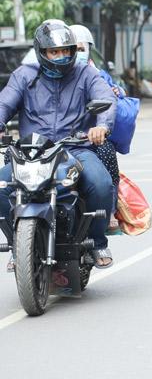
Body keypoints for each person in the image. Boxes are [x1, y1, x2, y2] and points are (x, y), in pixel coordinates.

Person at [0, 20, 117, 269]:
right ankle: (16, 244)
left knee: (100, 183)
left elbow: (105, 98)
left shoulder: (86, 73)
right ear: (42, 52)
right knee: (1, 187)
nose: (62, 57)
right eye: (55, 52)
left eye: (66, 51)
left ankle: (97, 243)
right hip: (31, 152)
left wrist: (101, 126)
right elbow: (4, 104)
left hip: (75, 148)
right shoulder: (23, 76)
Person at [70, 24, 125, 229]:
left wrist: (116, 91)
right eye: (71, 48)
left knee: (107, 153)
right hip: (57, 140)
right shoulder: (46, 76)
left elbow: (112, 97)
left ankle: (109, 210)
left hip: (91, 138)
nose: (76, 54)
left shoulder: (97, 75)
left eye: (81, 49)